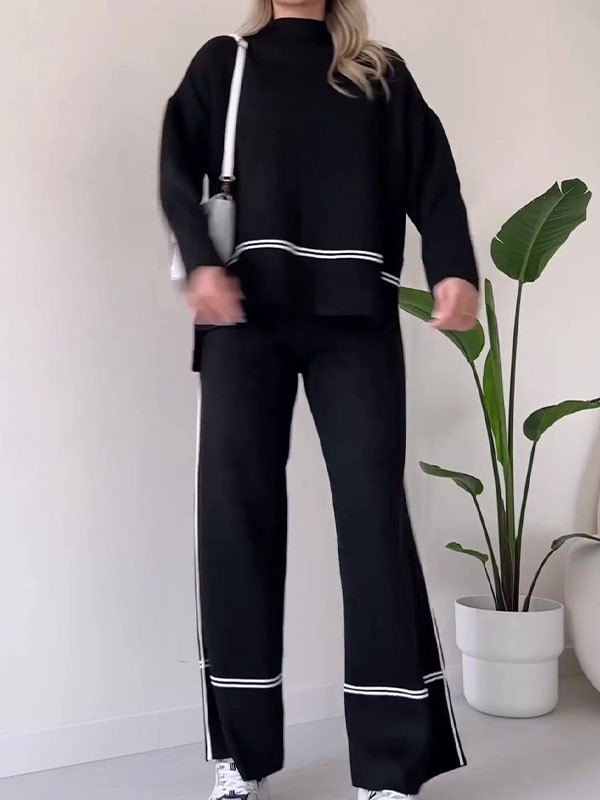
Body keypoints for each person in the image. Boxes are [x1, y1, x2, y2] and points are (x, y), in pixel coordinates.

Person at [159, 1, 479, 798]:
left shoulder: (378, 75)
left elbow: (433, 176)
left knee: (373, 523)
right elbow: (177, 168)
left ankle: (390, 765)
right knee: (235, 522)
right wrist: (200, 261)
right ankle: (242, 757)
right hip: (243, 320)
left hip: (355, 324)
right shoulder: (224, 64)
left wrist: (453, 267)